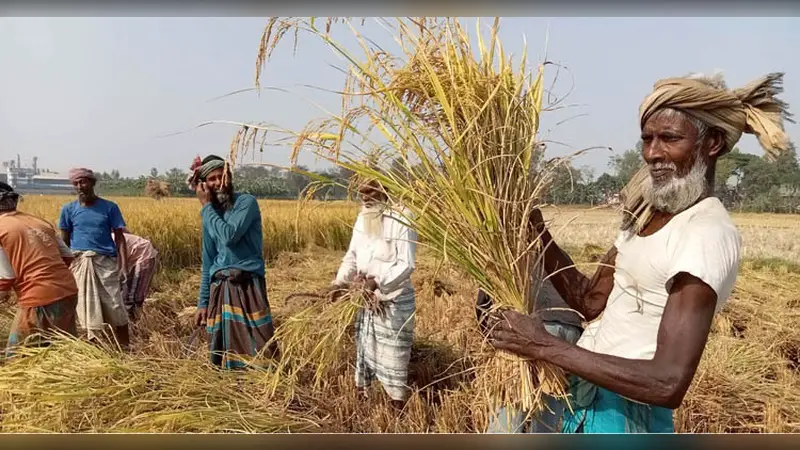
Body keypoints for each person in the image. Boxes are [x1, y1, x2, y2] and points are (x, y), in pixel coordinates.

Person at [486, 71, 793, 433]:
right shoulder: (648, 215)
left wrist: (543, 346)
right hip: (585, 401)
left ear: (711, 143)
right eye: (647, 139)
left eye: (669, 139)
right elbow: (590, 301)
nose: (652, 153)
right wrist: (531, 223)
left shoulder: (705, 233)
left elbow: (667, 382)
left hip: (628, 417)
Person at [328, 179, 417, 410]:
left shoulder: (402, 217)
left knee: (394, 359)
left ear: (385, 190)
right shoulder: (363, 218)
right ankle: (364, 402)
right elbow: (352, 256)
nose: (366, 198)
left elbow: (406, 264)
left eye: (371, 192)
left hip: (393, 300)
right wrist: (339, 282)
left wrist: (377, 281)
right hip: (366, 301)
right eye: (362, 193)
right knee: (365, 351)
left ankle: (397, 409)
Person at [190, 155, 277, 369]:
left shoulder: (246, 203)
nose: (219, 183)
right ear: (204, 184)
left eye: (223, 177)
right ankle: (230, 389)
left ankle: (265, 389)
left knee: (260, 346)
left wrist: (206, 207)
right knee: (221, 349)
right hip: (221, 287)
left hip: (247, 286)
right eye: (212, 179)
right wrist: (202, 302)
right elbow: (209, 260)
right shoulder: (211, 215)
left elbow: (229, 235)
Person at [476, 276, 583, 433]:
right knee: (548, 421)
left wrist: (491, 340)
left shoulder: (508, 256)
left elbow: (482, 303)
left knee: (506, 422)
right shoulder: (556, 254)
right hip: (570, 331)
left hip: (531, 329)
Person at [0, 182, 79, 356]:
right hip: (67, 290)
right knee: (61, 351)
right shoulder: (39, 221)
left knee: (17, 357)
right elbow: (67, 256)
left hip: (38, 297)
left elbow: (6, 278)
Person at [58, 168, 130, 350]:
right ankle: (94, 351)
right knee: (85, 308)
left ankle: (125, 347)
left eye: (83, 182)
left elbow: (120, 239)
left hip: (105, 262)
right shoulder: (68, 210)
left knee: (115, 306)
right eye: (76, 183)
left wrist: (124, 266)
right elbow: (64, 242)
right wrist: (63, 268)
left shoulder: (110, 207)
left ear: (92, 183)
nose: (80, 186)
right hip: (80, 262)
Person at [114, 229, 159, 321]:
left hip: (144, 254)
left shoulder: (108, 242)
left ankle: (135, 323)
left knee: (132, 296)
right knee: (125, 291)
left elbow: (116, 265)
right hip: (132, 255)